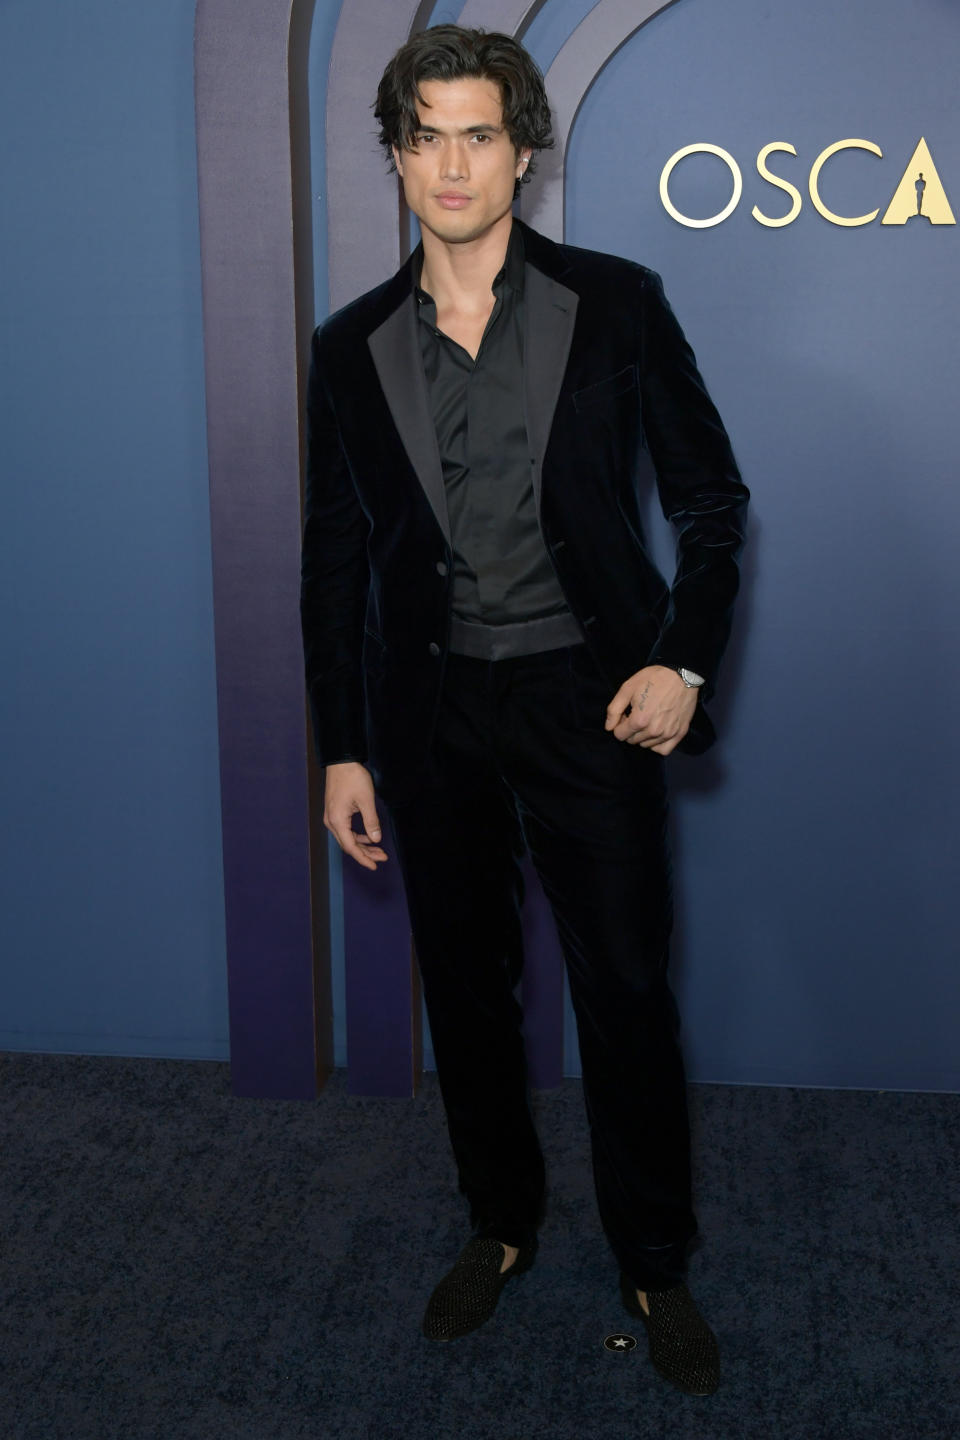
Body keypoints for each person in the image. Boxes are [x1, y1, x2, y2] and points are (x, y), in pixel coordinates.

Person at [301, 25, 748, 1397]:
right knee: (476, 1006)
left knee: (622, 995)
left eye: (477, 132)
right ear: (391, 154)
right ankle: (499, 1229)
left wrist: (681, 659)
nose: (451, 161)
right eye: (424, 133)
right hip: (430, 720)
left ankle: (652, 1259)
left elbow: (710, 504)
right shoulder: (350, 346)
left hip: (586, 702)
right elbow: (332, 559)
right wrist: (342, 749)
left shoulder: (616, 301)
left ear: (522, 150)